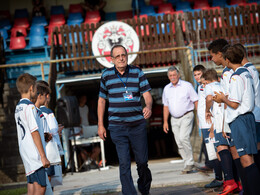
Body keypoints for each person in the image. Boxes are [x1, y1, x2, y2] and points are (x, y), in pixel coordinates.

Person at [98, 45, 152, 195]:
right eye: (118, 56)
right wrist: (101, 125)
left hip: (137, 125)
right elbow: (101, 101)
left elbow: (147, 95)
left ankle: (144, 187)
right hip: (117, 126)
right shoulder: (106, 75)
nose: (121, 58)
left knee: (142, 161)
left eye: (124, 55)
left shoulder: (137, 72)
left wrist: (148, 106)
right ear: (112, 59)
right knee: (124, 162)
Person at [213, 45, 260, 195]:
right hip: (247, 118)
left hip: (240, 119)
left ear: (227, 59)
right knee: (249, 158)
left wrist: (221, 99)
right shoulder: (246, 72)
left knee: (246, 160)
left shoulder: (237, 76)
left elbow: (234, 103)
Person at [208, 40, 248, 194]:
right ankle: (239, 183)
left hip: (233, 116)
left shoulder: (228, 72)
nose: (211, 59)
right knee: (235, 152)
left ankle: (242, 184)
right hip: (231, 116)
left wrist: (224, 124)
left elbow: (228, 99)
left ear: (220, 55)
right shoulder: (230, 72)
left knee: (238, 153)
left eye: (212, 55)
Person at [15, 73, 50, 195]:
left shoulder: (18, 107)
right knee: (41, 187)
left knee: (32, 185)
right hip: (34, 153)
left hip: (25, 151)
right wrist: (43, 156)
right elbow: (33, 131)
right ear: (31, 88)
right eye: (35, 87)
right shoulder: (30, 107)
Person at [162, 66, 198, 173]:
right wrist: (165, 121)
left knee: (183, 138)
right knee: (179, 142)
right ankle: (187, 163)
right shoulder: (166, 89)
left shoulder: (187, 86)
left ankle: (190, 162)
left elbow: (196, 100)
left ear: (178, 75)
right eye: (170, 76)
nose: (173, 77)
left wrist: (200, 116)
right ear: (168, 77)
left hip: (186, 115)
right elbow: (166, 106)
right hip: (174, 119)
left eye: (174, 75)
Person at [193, 65, 223, 188]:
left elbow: (209, 101)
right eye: (195, 75)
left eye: (199, 74)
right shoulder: (200, 87)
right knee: (211, 153)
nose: (197, 77)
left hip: (210, 123)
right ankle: (219, 177)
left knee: (216, 151)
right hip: (204, 124)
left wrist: (210, 122)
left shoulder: (207, 87)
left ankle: (220, 178)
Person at [233, 43, 260, 170]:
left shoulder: (245, 71)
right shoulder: (251, 69)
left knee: (251, 154)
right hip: (255, 112)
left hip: (252, 113)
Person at [37, 80, 64, 188]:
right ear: (47, 96)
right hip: (49, 150)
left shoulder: (35, 111)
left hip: (40, 149)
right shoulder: (48, 112)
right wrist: (57, 132)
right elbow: (52, 130)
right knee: (49, 178)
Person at [77, 95, 100, 170]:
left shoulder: (86, 107)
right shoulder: (77, 108)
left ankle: (88, 163)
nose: (84, 100)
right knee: (82, 151)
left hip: (87, 128)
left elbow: (87, 118)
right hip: (80, 129)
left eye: (85, 99)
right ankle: (88, 164)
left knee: (97, 149)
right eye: (83, 98)